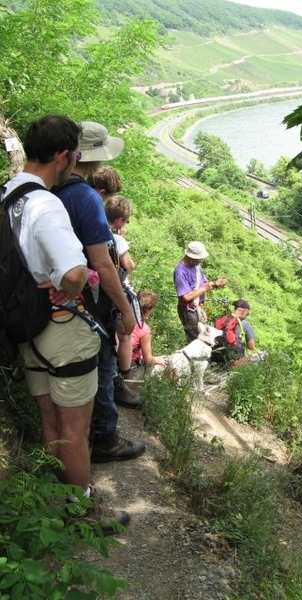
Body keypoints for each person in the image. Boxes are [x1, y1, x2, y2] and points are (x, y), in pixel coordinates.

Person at [1, 114, 129, 530]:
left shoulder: (7, 195)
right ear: (61, 156)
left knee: (48, 419)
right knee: (74, 427)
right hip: (61, 330)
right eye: (74, 154)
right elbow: (76, 273)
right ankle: (82, 511)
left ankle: (55, 498)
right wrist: (69, 287)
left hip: (25, 328)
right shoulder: (46, 204)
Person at [54, 120, 146, 463]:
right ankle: (105, 436)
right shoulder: (86, 198)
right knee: (104, 365)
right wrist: (124, 309)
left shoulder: (51, 190)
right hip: (89, 300)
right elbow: (104, 264)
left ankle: (83, 439)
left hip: (59, 295)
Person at [104, 195, 136, 385]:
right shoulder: (117, 238)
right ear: (119, 221)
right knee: (124, 334)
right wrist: (122, 240)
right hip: (117, 291)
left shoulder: (95, 229)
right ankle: (124, 372)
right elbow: (129, 266)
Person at [173, 241, 226, 342]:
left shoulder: (197, 266)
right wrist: (204, 288)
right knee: (196, 339)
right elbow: (185, 297)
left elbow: (202, 283)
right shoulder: (180, 272)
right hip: (188, 311)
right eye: (199, 259)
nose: (201, 261)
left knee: (204, 335)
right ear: (191, 257)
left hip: (198, 307)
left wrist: (215, 284)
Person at [212, 299, 263, 368]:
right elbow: (252, 347)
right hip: (234, 362)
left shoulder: (221, 320)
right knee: (264, 355)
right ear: (244, 311)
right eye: (247, 313)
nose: (247, 316)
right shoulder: (245, 324)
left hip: (216, 358)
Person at [129, 289, 168, 379]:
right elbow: (148, 360)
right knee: (154, 368)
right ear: (147, 311)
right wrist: (158, 359)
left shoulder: (123, 319)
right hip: (131, 367)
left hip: (115, 364)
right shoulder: (143, 329)